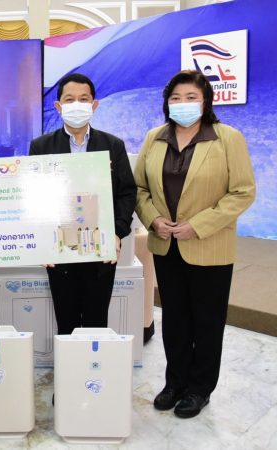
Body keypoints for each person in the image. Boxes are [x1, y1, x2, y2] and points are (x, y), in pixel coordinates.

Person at [134, 70, 255, 418]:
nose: (183, 104)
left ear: (205, 102)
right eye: (176, 98)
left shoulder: (227, 138)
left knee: (207, 321)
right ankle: (175, 382)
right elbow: (140, 188)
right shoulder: (154, 138)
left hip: (209, 245)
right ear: (167, 103)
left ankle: (200, 388)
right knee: (174, 318)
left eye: (191, 97)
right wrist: (153, 219)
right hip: (166, 244)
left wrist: (198, 226)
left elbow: (243, 191)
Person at [29, 73, 136, 336]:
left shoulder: (113, 146)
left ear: (94, 105)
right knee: (66, 323)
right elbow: (34, 197)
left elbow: (127, 193)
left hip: (101, 251)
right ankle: (69, 363)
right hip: (59, 252)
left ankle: (93, 362)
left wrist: (117, 232)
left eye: (83, 99)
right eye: (70, 99)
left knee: (96, 322)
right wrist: (42, 242)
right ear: (58, 106)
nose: (76, 104)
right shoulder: (41, 147)